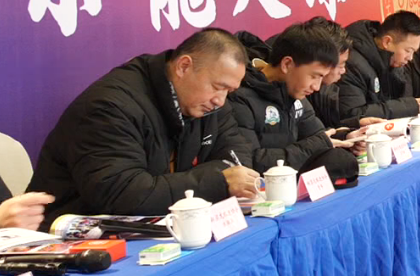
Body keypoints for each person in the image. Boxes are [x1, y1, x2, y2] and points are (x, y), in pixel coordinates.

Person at [30, 28, 260, 223]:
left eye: (229, 91)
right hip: (70, 235)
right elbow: (121, 194)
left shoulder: (208, 104)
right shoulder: (110, 106)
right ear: (183, 66)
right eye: (218, 87)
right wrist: (217, 181)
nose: (221, 100)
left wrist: (216, 179)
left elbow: (237, 156)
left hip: (155, 226)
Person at [229, 22, 361, 181]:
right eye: (314, 76)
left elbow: (317, 136)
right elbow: (250, 164)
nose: (316, 87)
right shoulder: (239, 97)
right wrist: (318, 144)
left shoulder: (294, 93)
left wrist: (348, 137)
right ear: (287, 64)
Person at [340, 10, 420, 122]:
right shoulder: (352, 64)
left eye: (413, 52)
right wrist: (406, 107)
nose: (410, 58)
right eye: (408, 50)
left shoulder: (393, 63)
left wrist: (409, 106)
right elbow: (353, 114)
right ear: (387, 42)